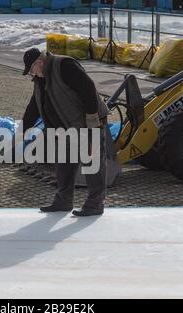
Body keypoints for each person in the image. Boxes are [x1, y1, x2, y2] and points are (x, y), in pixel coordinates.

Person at [21, 48, 110, 217]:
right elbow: (34, 107)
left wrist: (92, 119)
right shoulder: (41, 80)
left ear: (39, 63)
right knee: (64, 165)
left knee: (92, 165)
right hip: (65, 129)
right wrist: (22, 131)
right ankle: (63, 201)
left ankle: (95, 204)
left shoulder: (64, 66)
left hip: (87, 124)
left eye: (32, 70)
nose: (32, 74)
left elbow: (88, 88)